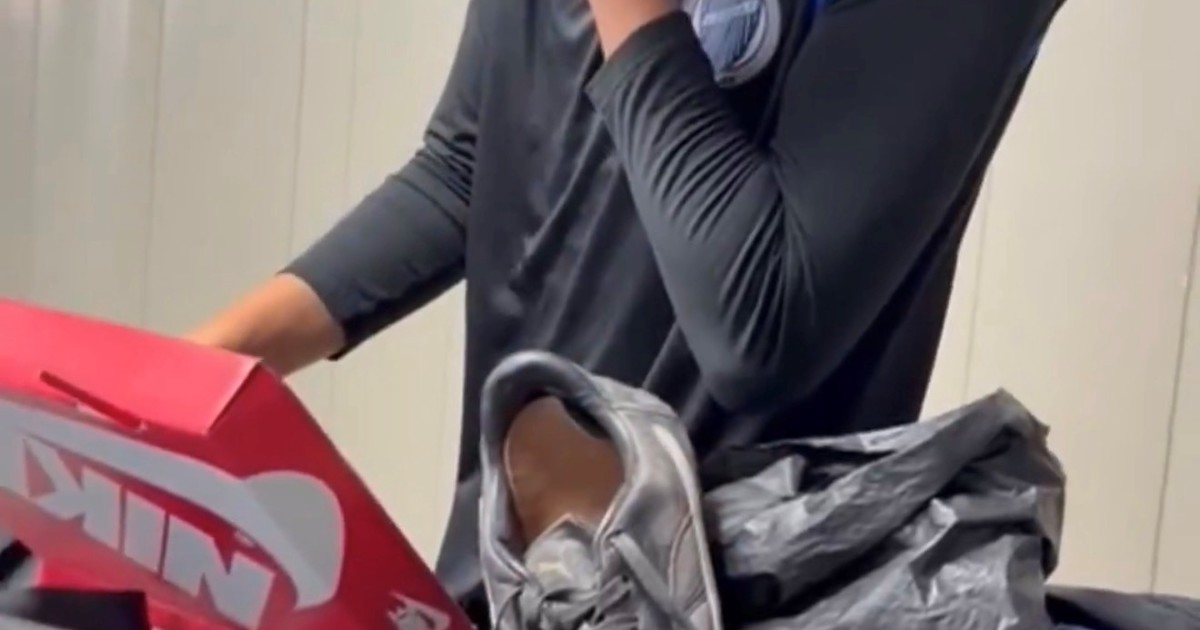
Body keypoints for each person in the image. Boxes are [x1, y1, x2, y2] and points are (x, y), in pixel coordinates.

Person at [186, 0, 1062, 624]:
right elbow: (465, 168)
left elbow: (759, 322)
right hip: (525, 573)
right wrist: (195, 373)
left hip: (740, 586)